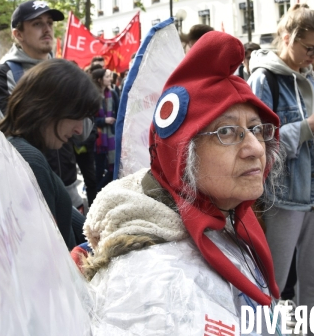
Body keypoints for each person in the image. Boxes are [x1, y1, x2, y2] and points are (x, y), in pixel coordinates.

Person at [80, 32, 284, 334]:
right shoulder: (159, 283)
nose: (255, 148)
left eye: (256, 129)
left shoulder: (217, 212)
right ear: (181, 154)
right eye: (227, 132)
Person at [248, 4, 314, 329]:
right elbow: (256, 145)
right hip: (285, 191)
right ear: (287, 37)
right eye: (309, 48)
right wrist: (309, 126)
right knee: (273, 283)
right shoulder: (264, 78)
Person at [0, 59, 101, 249]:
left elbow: (75, 224)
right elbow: (50, 253)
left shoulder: (21, 152)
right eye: (76, 117)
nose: (79, 130)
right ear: (49, 108)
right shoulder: (31, 161)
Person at [91, 69, 119, 192]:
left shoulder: (113, 94)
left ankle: (100, 189)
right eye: (107, 76)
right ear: (99, 80)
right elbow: (89, 119)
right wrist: (104, 120)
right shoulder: (92, 96)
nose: (110, 79)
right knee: (99, 169)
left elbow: (119, 114)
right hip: (98, 139)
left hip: (112, 136)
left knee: (113, 168)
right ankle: (97, 191)